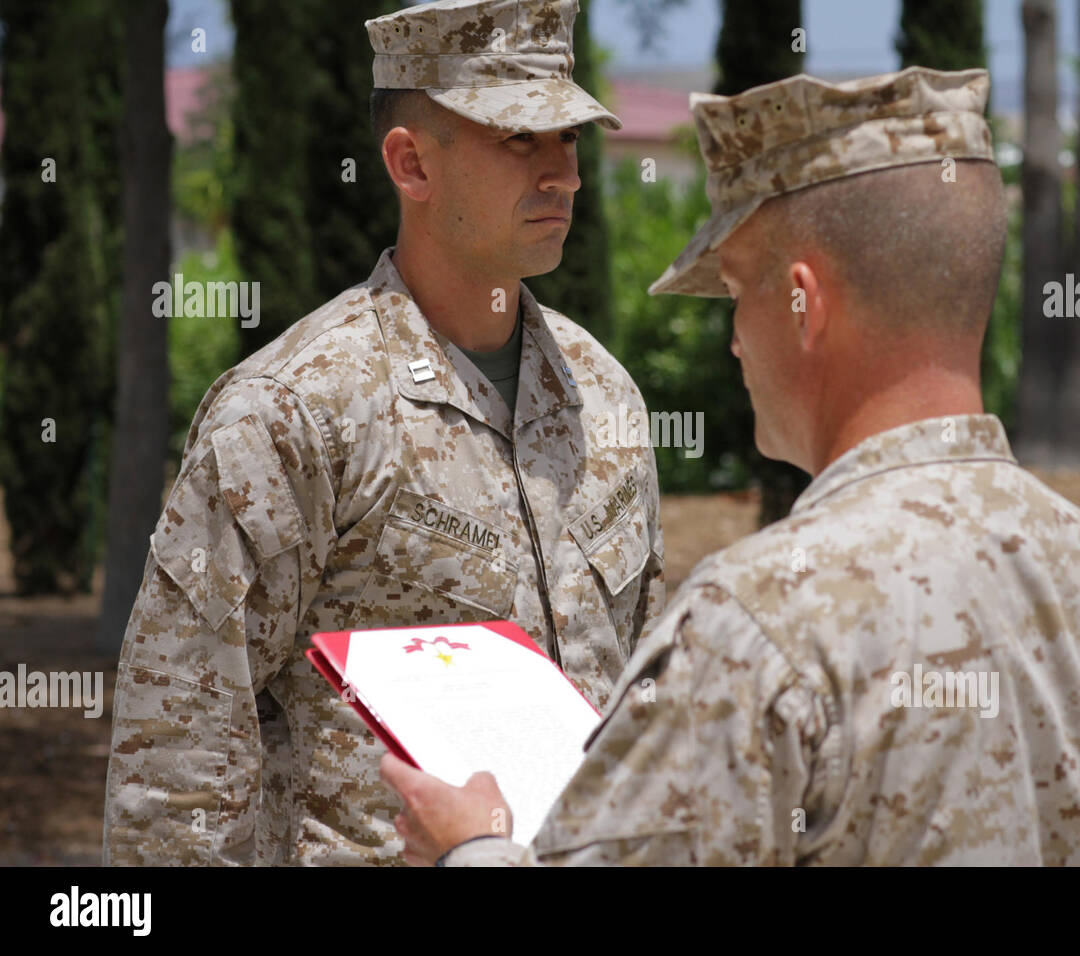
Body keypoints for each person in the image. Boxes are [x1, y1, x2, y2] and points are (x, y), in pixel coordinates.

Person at [380, 67, 1080, 866]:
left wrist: (471, 847)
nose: (736, 338)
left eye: (738, 291)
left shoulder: (758, 626)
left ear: (809, 303)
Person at [103, 0, 664, 866]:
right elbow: (180, 767)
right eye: (521, 140)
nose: (564, 175)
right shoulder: (294, 411)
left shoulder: (606, 399)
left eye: (571, 140)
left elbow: (645, 710)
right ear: (410, 164)